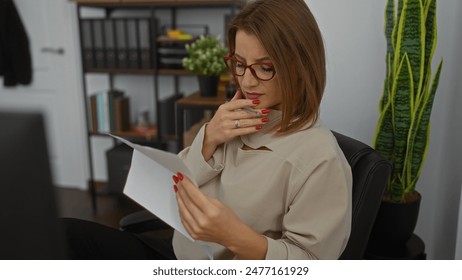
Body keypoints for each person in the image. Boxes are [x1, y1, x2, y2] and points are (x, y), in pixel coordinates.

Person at [62, 0, 352, 260]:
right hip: (180, 255)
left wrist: (234, 237)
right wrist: (208, 139)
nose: (247, 82)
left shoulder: (319, 158)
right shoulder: (231, 120)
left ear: (300, 66)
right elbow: (174, 193)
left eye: (265, 68)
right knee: (64, 233)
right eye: (239, 64)